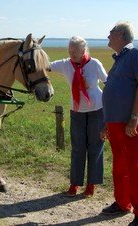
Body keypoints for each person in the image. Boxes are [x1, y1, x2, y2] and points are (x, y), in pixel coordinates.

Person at [101, 21, 138, 226]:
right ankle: (122, 203)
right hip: (115, 123)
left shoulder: (136, 54)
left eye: (111, 32)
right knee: (120, 165)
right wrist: (107, 122)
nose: (108, 35)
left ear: (121, 34)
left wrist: (134, 117)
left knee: (135, 166)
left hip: (132, 123)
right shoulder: (119, 59)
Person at [49, 36, 107, 198]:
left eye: (75, 51)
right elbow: (47, 66)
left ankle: (91, 185)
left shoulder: (94, 64)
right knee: (78, 148)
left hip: (97, 110)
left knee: (95, 148)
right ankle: (74, 184)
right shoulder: (66, 64)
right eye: (70, 51)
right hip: (76, 111)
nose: (72, 54)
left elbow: (107, 83)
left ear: (84, 50)